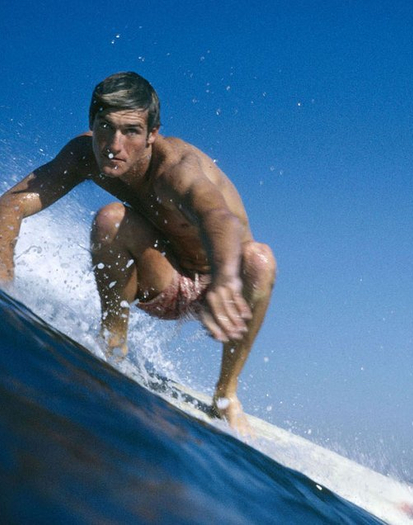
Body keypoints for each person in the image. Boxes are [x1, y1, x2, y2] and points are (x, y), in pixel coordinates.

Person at [0, 72, 276, 435]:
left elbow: (217, 217)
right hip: (164, 279)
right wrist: (5, 290)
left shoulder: (176, 169)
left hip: (221, 289)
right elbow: (13, 204)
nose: (114, 144)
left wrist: (225, 279)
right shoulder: (85, 155)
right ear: (91, 125)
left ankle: (226, 394)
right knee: (110, 219)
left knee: (259, 260)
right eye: (105, 127)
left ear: (152, 134)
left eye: (131, 131)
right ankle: (113, 347)